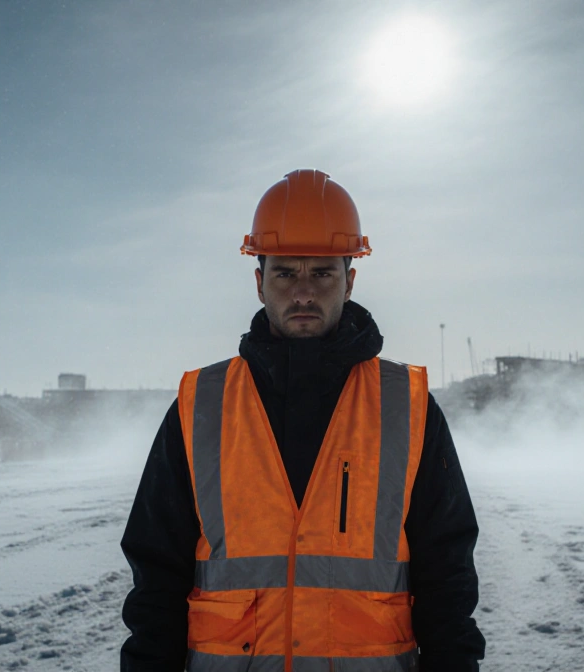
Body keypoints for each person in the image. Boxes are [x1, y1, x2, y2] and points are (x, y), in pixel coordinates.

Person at [121, 169, 485, 671]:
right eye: (286, 273)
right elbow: (156, 580)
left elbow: (447, 579)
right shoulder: (201, 404)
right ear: (259, 281)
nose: (303, 292)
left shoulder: (408, 406)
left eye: (322, 273)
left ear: (350, 280)